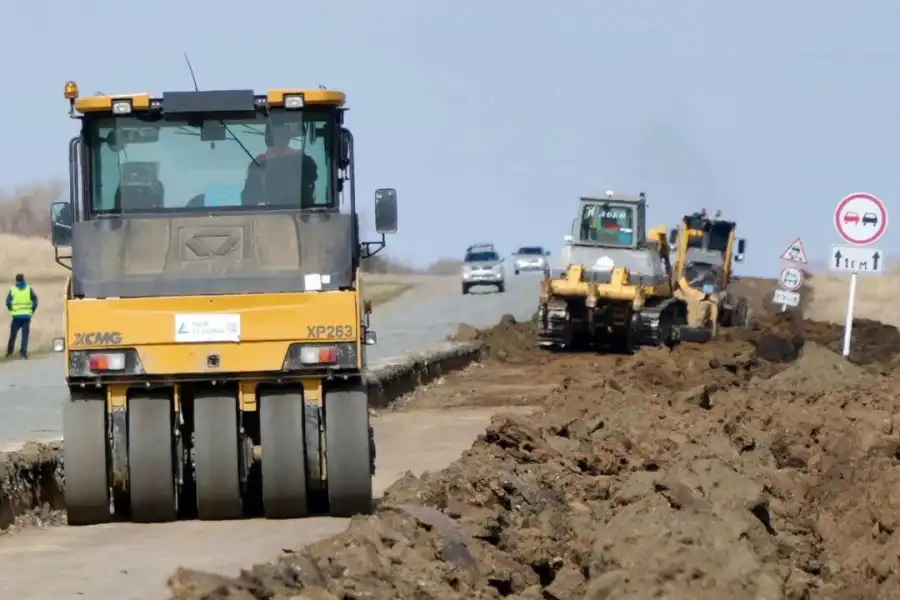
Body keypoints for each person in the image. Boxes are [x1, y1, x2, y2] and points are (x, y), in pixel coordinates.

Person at [241, 121, 318, 207]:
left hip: (271, 215)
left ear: (267, 139)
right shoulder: (304, 160)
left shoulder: (258, 163)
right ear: (287, 138)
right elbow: (313, 178)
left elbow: (248, 199)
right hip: (302, 216)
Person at [6, 273, 37, 359]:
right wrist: (31, 311)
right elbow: (35, 301)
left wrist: (12, 310)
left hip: (16, 317)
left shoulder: (12, 290)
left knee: (13, 335)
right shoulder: (28, 289)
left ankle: (9, 353)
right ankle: (23, 354)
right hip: (26, 317)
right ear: (23, 279)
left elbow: (8, 302)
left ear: (16, 280)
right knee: (25, 336)